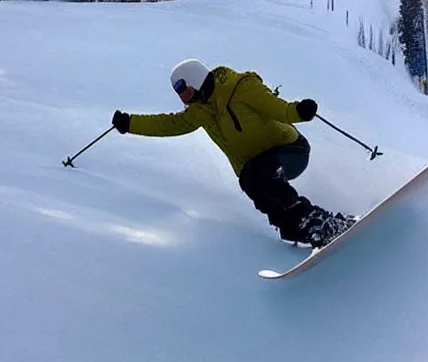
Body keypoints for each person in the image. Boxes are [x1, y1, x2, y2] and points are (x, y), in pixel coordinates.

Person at [111, 59, 356, 249]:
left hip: (291, 151)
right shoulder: (200, 110)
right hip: (256, 168)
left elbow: (277, 109)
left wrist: (299, 111)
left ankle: (317, 221)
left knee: (260, 171)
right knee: (249, 180)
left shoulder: (241, 87)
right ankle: (292, 227)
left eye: (184, 90)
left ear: (196, 80)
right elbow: (169, 125)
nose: (184, 99)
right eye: (180, 94)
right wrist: (129, 123)